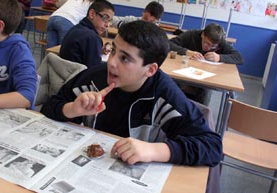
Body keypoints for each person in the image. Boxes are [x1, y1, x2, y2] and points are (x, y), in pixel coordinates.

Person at [42, 21, 222, 167]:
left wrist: (153, 151)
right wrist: (71, 109)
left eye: (125, 58)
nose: (111, 63)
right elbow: (49, 106)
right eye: (113, 51)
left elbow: (212, 147)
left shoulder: (165, 93)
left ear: (150, 70)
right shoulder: (94, 78)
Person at [168, 23, 244, 104]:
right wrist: (186, 52)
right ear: (203, 35)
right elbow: (168, 44)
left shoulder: (221, 42)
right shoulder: (192, 35)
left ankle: (200, 112)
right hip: (183, 71)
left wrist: (219, 57)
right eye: (206, 43)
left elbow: (239, 58)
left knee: (205, 90)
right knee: (175, 84)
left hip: (205, 76)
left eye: (213, 46)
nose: (208, 47)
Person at [59, 0, 115, 67]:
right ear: (92, 14)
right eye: (105, 18)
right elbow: (93, 71)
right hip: (77, 76)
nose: (107, 25)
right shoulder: (92, 37)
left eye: (110, 21)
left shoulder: (76, 28)